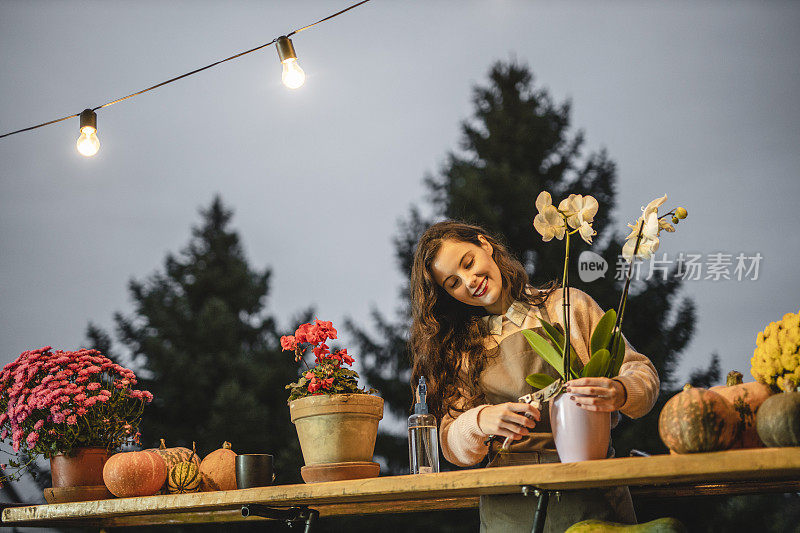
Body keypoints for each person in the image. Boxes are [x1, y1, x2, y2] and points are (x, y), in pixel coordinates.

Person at [409, 220, 660, 533]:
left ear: (484, 244)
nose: (469, 281)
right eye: (453, 283)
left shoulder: (565, 306)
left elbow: (641, 371)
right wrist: (480, 421)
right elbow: (449, 444)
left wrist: (621, 390)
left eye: (468, 263)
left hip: (588, 491)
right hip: (510, 504)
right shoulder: (461, 351)